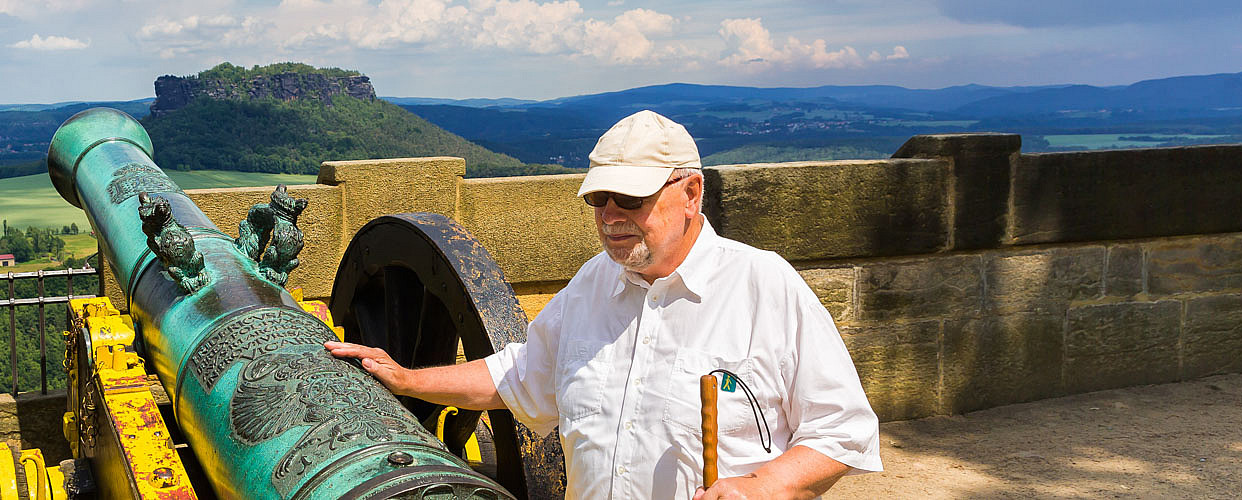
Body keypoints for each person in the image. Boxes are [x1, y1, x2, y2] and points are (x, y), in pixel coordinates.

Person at [325, 110, 882, 499]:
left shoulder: (766, 287)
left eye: (632, 198)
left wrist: (769, 486)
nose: (611, 214)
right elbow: (521, 374)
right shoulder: (593, 283)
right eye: (599, 197)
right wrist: (406, 379)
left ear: (691, 194)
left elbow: (842, 430)